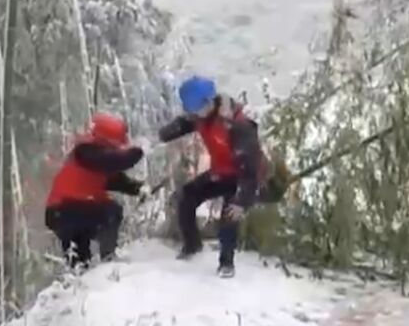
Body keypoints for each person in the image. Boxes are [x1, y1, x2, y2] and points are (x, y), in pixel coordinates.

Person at [158, 75, 264, 278]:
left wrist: (242, 201)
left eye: (194, 109)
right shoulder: (203, 115)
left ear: (208, 102)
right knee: (186, 196)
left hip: (242, 178)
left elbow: (250, 168)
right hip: (220, 173)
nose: (193, 114)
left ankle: (226, 264)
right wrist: (162, 135)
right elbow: (184, 124)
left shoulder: (239, 125)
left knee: (229, 215)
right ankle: (192, 245)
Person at [45, 113, 149, 270]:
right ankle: (108, 261)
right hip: (66, 210)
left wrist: (138, 188)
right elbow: (113, 161)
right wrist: (138, 152)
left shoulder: (91, 158)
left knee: (79, 253)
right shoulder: (86, 152)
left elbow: (116, 180)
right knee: (111, 211)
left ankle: (81, 277)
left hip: (63, 213)